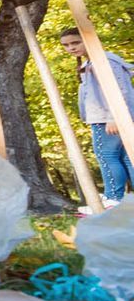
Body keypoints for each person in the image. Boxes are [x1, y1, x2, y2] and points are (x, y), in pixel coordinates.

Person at [59, 27, 134, 206]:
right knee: (125, 157)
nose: (71, 48)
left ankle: (112, 199)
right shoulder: (90, 63)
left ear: (88, 39)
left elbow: (119, 88)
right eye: (66, 45)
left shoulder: (104, 60)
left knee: (106, 155)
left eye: (75, 42)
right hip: (109, 116)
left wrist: (113, 116)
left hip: (108, 118)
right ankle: (120, 200)